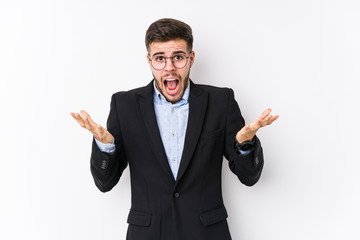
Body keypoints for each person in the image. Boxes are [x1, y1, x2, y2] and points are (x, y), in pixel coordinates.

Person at [71, 18, 278, 240]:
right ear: (149, 61)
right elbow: (105, 183)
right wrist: (105, 146)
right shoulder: (124, 105)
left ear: (191, 59)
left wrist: (245, 143)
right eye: (160, 59)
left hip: (206, 233)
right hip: (148, 234)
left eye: (178, 57)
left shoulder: (221, 101)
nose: (169, 67)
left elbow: (250, 177)